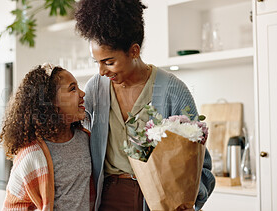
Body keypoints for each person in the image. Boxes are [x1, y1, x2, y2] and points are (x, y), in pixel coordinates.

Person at [74, 0, 215, 211]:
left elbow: (199, 162)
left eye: (109, 62)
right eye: (97, 62)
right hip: (105, 199)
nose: (102, 71)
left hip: (157, 201)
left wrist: (188, 201)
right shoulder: (96, 88)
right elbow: (76, 137)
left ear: (134, 50)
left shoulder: (172, 91)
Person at [0, 64, 94, 211]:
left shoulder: (86, 139)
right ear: (51, 102)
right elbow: (13, 205)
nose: (82, 93)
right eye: (72, 89)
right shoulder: (31, 155)